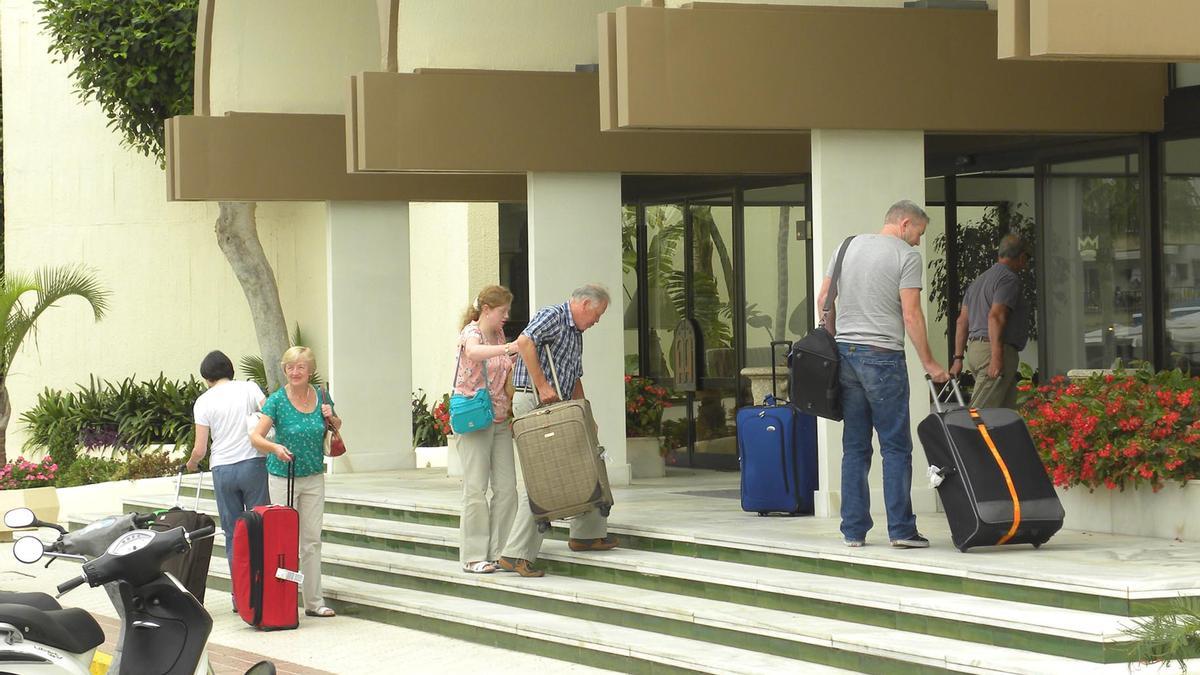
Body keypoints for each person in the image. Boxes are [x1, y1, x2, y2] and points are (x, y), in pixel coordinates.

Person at [816, 200, 949, 550]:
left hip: (845, 356)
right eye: (918, 233)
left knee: (855, 447)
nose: (918, 241)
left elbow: (823, 300)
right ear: (905, 224)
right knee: (895, 446)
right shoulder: (906, 257)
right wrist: (931, 364)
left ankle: (853, 531)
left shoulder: (846, 246)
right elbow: (911, 315)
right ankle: (902, 530)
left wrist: (834, 340)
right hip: (884, 357)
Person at [497, 283, 618, 578]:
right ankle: (515, 554)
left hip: (561, 404)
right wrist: (542, 384)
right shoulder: (553, 315)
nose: (597, 321)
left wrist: (585, 412)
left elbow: (575, 376)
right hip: (535, 400)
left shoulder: (577, 333)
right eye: (598, 314)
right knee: (543, 478)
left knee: (586, 460)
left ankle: (586, 534)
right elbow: (525, 342)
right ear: (585, 304)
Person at [250, 346, 339, 618]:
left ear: (310, 370)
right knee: (283, 541)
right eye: (290, 367)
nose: (295, 372)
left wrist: (331, 416)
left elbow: (335, 425)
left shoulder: (321, 395)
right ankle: (284, 600)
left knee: (311, 541)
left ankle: (313, 602)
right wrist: (275, 448)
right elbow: (256, 437)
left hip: (313, 475)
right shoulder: (277, 400)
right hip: (283, 477)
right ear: (284, 370)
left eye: (300, 367)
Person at [184, 350, 270, 607]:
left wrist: (191, 464)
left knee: (234, 534)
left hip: (222, 470)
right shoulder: (250, 388)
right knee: (259, 528)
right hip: (253, 464)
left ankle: (240, 596)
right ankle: (262, 592)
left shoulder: (203, 401)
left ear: (207, 377)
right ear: (231, 370)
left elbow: (200, 449)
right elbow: (269, 416)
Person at [453, 285, 520, 574]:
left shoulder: (499, 335)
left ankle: (501, 550)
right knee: (476, 489)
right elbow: (474, 352)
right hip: (475, 418)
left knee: (507, 488)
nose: (506, 316)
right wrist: (508, 349)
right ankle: (474, 555)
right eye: (502, 311)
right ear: (487, 310)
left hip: (501, 418)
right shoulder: (473, 333)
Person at [949, 233, 1032, 409]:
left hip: (975, 349)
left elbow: (962, 322)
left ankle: (1006, 438)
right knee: (980, 414)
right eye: (1028, 257)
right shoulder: (1008, 278)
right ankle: (968, 438)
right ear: (1022, 257)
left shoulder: (978, 281)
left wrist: (958, 358)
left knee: (1005, 416)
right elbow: (996, 316)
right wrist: (996, 356)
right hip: (993, 351)